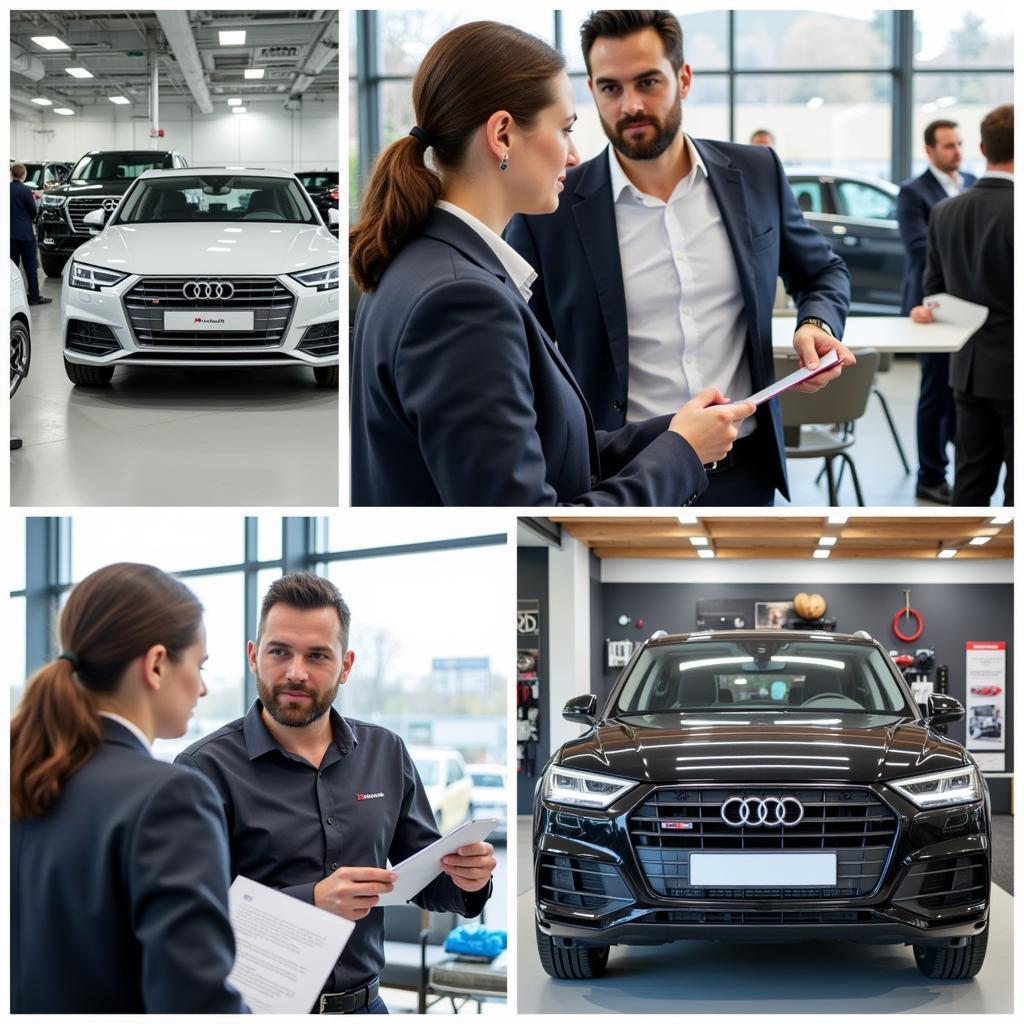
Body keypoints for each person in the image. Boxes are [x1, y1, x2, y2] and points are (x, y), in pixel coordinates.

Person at [349, 20, 754, 506]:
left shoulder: (419, 263)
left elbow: (551, 454)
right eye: (564, 129)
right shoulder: (462, 303)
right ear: (502, 134)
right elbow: (535, 519)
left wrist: (675, 431)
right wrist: (683, 453)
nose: (575, 154)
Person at [505, 10, 852, 507]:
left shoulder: (755, 174)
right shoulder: (550, 208)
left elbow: (821, 269)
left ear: (683, 79)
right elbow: (520, 347)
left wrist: (817, 323)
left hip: (745, 467)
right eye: (610, 88)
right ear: (592, 92)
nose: (631, 105)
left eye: (648, 82)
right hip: (622, 478)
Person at [176, 573, 497, 1014]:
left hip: (366, 1007)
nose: (295, 672)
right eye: (279, 652)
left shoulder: (386, 752)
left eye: (317, 656)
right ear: (253, 656)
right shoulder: (203, 770)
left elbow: (423, 876)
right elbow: (188, 921)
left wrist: (468, 879)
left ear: (345, 666)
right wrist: (311, 902)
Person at [10, 563, 247, 1014]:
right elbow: (195, 1005)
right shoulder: (170, 797)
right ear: (156, 664)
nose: (202, 687)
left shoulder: (22, 774)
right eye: (199, 665)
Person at [910, 104, 1013, 507]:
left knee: (970, 482)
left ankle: (963, 566)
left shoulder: (944, 212)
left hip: (968, 370)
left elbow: (934, 292)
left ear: (983, 148)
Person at [897, 119, 977, 505]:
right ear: (929, 150)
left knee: (963, 392)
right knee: (935, 393)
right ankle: (930, 476)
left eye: (959, 143)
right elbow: (919, 249)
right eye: (948, 145)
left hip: (969, 311)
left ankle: (960, 471)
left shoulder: (974, 182)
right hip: (929, 307)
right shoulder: (913, 193)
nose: (957, 152)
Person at [10, 162, 51, 306]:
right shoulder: (26, 191)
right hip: (26, 235)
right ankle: (34, 296)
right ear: (24, 174)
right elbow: (33, 211)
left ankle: (11, 298)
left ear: (12, 174)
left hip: (9, 235)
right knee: (30, 266)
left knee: (11, 268)